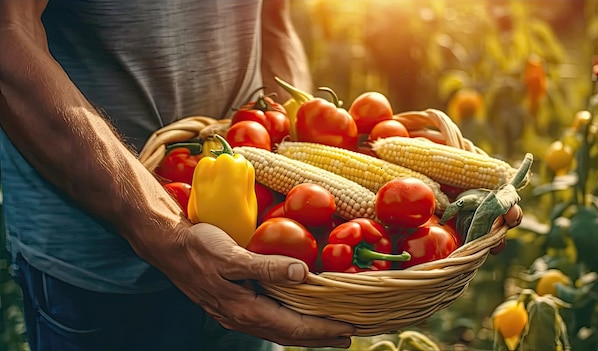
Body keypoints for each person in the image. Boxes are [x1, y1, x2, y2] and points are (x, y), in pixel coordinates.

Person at [0, 1, 524, 351]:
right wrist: (165, 233)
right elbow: (8, 37)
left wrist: (298, 147)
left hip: (257, 246)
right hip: (100, 269)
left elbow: (272, 17)